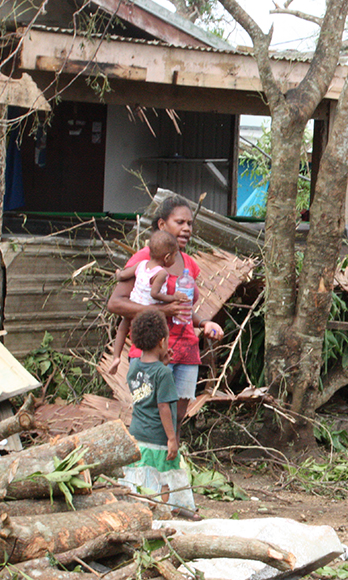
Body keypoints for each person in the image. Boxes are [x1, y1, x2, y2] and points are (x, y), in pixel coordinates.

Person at [107, 195, 224, 443]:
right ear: (162, 225)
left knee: (178, 417)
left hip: (186, 350)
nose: (187, 229)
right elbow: (116, 303)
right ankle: (146, 470)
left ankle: (170, 467)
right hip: (153, 351)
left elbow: (181, 309)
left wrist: (204, 323)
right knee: (153, 413)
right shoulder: (145, 261)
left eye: (190, 224)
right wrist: (162, 312)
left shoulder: (189, 264)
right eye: (180, 222)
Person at [119, 309, 195, 512]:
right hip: (158, 436)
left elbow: (146, 389)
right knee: (164, 475)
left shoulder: (134, 368)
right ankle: (166, 509)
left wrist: (161, 362)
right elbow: (163, 407)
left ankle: (141, 507)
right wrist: (171, 438)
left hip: (137, 432)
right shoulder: (164, 374)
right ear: (162, 342)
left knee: (143, 473)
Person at [108, 230, 188, 375]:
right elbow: (155, 294)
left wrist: (118, 273)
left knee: (122, 328)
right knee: (164, 331)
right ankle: (164, 357)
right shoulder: (161, 273)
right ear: (167, 257)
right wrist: (173, 298)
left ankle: (116, 357)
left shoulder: (140, 264)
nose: (176, 260)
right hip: (150, 308)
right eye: (175, 256)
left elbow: (123, 275)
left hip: (134, 302)